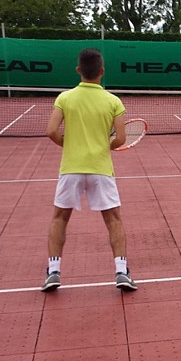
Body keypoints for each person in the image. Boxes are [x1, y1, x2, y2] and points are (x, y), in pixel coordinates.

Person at [42, 48, 137, 292]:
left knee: (59, 218)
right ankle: (121, 271)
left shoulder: (65, 98)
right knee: (113, 220)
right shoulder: (113, 101)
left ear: (78, 70)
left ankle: (53, 272)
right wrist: (105, 146)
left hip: (71, 168)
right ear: (102, 72)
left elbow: (52, 131)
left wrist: (70, 144)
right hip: (100, 169)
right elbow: (121, 138)